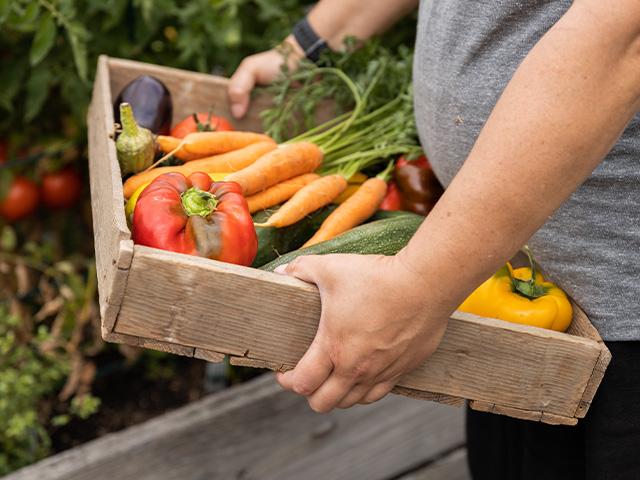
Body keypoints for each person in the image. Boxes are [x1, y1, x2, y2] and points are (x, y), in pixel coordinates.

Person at [228, 1, 640, 478]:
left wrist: (418, 285)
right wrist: (311, 42)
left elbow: (625, 36)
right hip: (492, 280)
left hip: (622, 324)